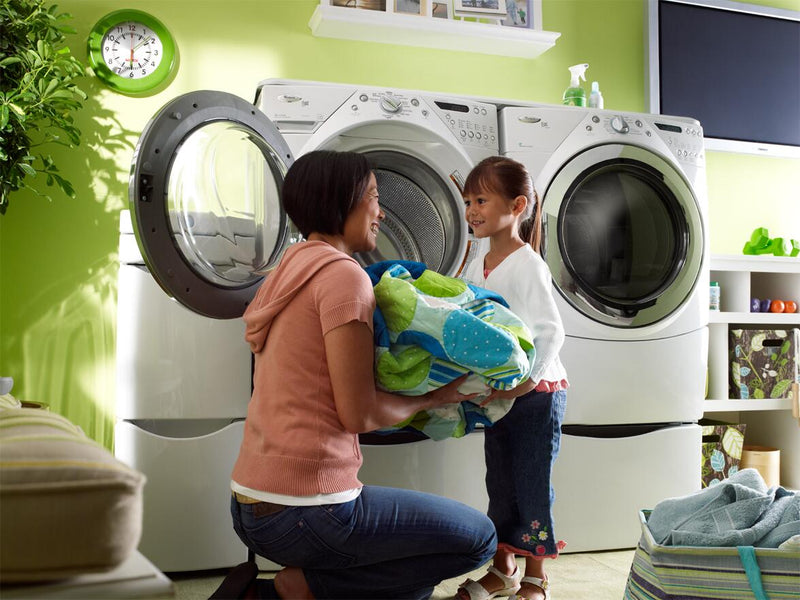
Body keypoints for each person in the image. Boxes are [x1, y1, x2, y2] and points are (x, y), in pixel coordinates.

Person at [229, 149, 497, 600]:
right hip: (306, 511)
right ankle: (304, 587)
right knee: (478, 538)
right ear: (342, 201)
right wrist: (435, 398)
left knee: (412, 586)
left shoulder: (291, 268)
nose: (381, 211)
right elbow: (359, 414)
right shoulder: (343, 278)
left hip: (251, 504)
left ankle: (310, 587)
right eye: (373, 196)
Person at [455, 156, 569, 600]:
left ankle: (537, 575)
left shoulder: (528, 264)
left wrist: (526, 382)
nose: (472, 210)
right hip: (500, 391)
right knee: (499, 479)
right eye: (468, 201)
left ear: (518, 204)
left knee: (531, 480)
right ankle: (502, 569)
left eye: (481, 199)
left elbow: (551, 332)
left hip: (537, 392)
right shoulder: (478, 263)